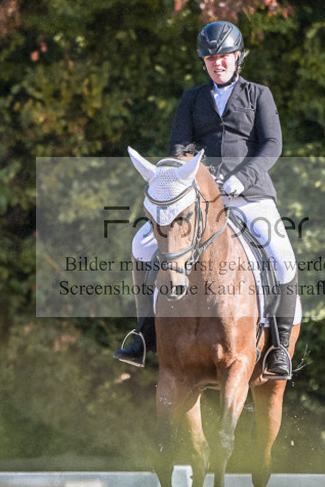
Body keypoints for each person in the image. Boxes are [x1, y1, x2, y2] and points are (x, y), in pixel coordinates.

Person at [114, 19, 298, 377]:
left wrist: (240, 180)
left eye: (224, 56)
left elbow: (272, 144)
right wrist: (197, 178)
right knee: (141, 245)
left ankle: (278, 347)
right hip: (198, 200)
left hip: (249, 195)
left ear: (237, 57)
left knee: (283, 258)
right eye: (210, 58)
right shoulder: (192, 98)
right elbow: (179, 147)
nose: (218, 62)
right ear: (204, 62)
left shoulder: (259, 95)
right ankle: (143, 334)